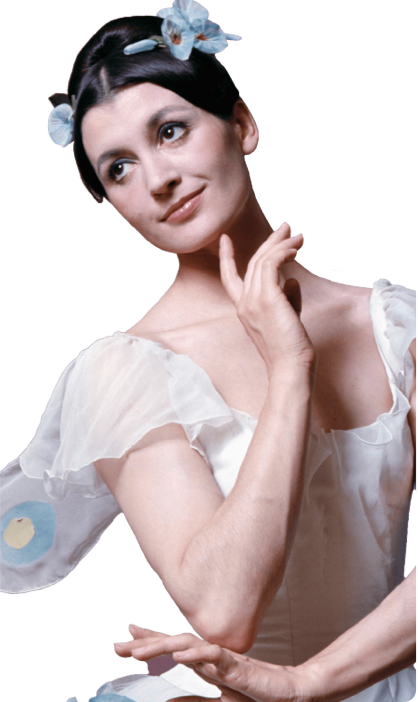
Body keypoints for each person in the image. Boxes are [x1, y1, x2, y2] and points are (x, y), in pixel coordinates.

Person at [0, 3, 416, 701]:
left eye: (171, 131)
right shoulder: (124, 372)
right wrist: (289, 369)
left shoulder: (396, 325)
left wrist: (310, 682)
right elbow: (224, 612)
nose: (157, 179)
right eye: (120, 168)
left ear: (242, 124)